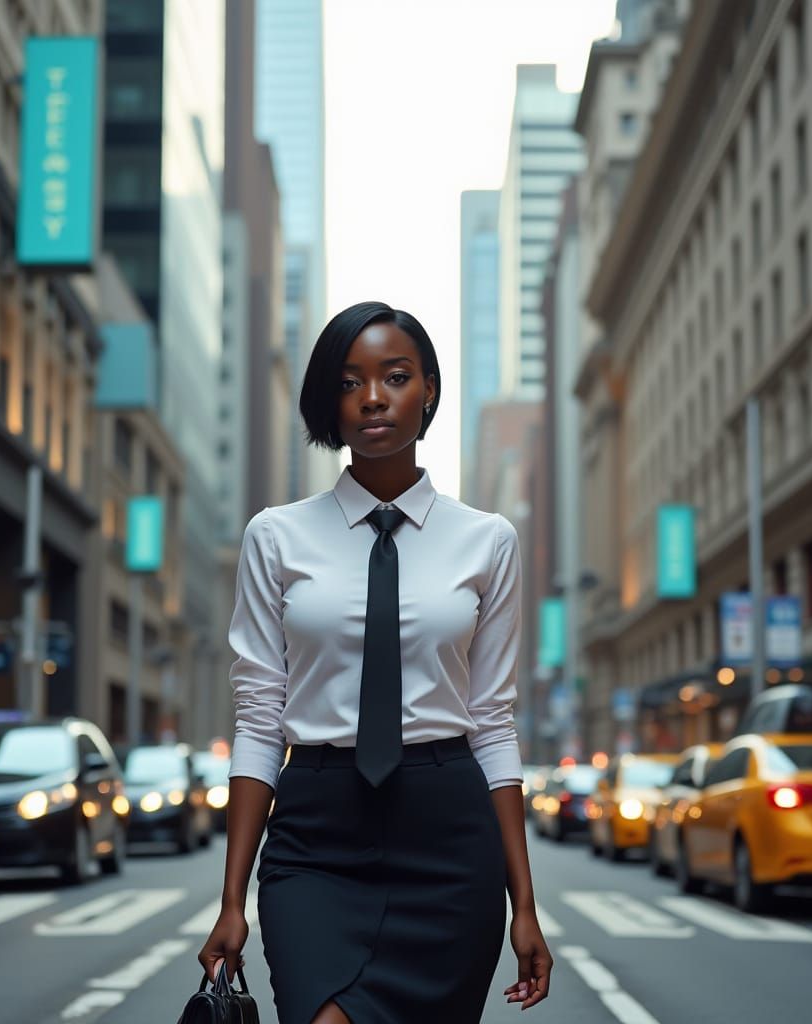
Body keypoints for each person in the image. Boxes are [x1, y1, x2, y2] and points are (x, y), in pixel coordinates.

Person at [199, 302, 553, 1022]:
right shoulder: (276, 537)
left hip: (449, 841)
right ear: (329, 401)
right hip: (317, 833)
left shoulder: (488, 542)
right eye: (350, 381)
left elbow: (491, 722)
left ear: (428, 389)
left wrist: (525, 905)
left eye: (395, 377)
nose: (373, 397)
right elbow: (261, 719)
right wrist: (232, 901)